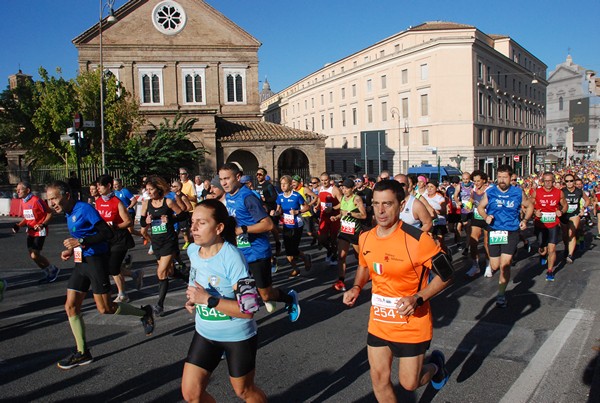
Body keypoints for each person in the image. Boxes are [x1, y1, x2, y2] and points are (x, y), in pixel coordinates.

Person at [343, 179, 452, 398]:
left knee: (409, 383)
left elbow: (447, 275)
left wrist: (418, 298)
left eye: (387, 204)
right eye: (376, 204)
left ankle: (435, 367)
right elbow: (365, 266)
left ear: (401, 206)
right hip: (380, 322)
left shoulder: (418, 240)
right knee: (379, 379)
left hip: (412, 324)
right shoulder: (365, 238)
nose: (380, 211)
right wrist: (356, 286)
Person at [46, 181, 154, 370]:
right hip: (81, 263)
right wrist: (71, 251)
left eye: (54, 198)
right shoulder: (68, 212)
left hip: (97, 262)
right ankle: (82, 352)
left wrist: (80, 241)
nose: (51, 203)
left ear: (67, 195)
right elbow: (83, 237)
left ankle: (144, 313)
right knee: (70, 306)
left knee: (106, 308)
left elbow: (106, 233)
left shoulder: (84, 209)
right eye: (49, 200)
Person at [182, 199, 266, 403]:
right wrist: (193, 299)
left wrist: (209, 300)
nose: (193, 228)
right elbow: (197, 280)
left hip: (236, 337)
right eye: (192, 222)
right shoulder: (193, 250)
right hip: (205, 333)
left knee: (244, 392)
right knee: (192, 395)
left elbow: (249, 310)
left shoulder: (233, 258)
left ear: (219, 227)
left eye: (201, 223)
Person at [220, 163, 300, 321]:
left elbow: (268, 224)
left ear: (238, 177)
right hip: (239, 252)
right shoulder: (228, 196)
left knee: (266, 293)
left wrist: (242, 229)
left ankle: (290, 299)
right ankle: (241, 324)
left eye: (227, 178)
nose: (223, 183)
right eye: (221, 179)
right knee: (236, 290)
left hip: (256, 252)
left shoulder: (248, 197)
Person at [477, 165, 534, 307]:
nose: (501, 180)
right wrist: (485, 216)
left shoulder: (517, 192)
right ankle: (494, 266)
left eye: (505, 177)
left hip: (511, 231)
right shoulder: (490, 192)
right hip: (494, 231)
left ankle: (501, 294)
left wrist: (525, 221)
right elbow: (480, 207)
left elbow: (530, 206)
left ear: (511, 178)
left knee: (505, 265)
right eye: (499, 177)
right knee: (495, 265)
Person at [140, 175, 190, 316]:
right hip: (156, 242)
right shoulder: (146, 204)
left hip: (169, 240)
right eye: (147, 189)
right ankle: (187, 278)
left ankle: (159, 305)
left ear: (158, 189)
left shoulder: (168, 202)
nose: (148, 192)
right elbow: (143, 223)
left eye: (151, 189)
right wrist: (147, 220)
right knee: (169, 273)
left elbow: (183, 215)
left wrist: (170, 218)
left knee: (161, 272)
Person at [95, 174, 143, 302]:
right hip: (106, 239)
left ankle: (123, 294)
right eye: (97, 186)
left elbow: (128, 222)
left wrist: (115, 226)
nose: (98, 188)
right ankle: (134, 274)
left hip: (120, 239)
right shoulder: (98, 202)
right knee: (111, 267)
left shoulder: (117, 202)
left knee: (113, 267)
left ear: (109, 186)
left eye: (101, 186)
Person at [12, 181, 60, 283]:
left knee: (35, 255)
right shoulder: (23, 201)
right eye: (17, 189)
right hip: (30, 231)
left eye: (19, 189)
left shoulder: (36, 200)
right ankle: (48, 272)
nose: (17, 191)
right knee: (32, 255)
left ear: (28, 190)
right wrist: (18, 225)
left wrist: (43, 224)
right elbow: (28, 218)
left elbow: (50, 213)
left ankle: (53, 269)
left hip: (39, 231)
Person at [330, 178, 367, 291]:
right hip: (344, 231)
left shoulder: (356, 199)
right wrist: (336, 217)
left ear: (352, 189)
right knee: (341, 257)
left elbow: (364, 215)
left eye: (346, 188)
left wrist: (351, 213)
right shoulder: (343, 199)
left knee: (359, 257)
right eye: (343, 188)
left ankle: (367, 274)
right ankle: (341, 281)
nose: (344, 190)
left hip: (355, 232)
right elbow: (342, 212)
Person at [272, 175, 312, 277]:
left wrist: (297, 211)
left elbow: (307, 207)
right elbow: (279, 210)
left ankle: (305, 258)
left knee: (293, 249)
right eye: (281, 184)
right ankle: (296, 268)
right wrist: (275, 213)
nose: (282, 186)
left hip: (297, 225)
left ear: (290, 185)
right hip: (287, 225)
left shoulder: (296, 196)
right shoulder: (280, 197)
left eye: (285, 184)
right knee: (288, 251)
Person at [532, 172, 567, 281]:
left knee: (552, 248)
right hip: (540, 223)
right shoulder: (536, 192)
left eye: (550, 181)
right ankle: (543, 254)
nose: (547, 183)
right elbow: (527, 206)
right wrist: (534, 212)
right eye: (545, 181)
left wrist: (561, 211)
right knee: (542, 248)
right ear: (542, 181)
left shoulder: (559, 192)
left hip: (553, 224)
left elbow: (565, 205)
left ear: (553, 181)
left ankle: (550, 271)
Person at [465, 171, 492, 278]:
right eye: (474, 181)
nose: (476, 183)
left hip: (487, 218)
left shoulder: (489, 190)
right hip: (476, 217)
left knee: (486, 243)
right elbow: (472, 199)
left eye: (478, 181)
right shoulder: (474, 189)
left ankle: (488, 266)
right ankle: (475, 266)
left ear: (484, 180)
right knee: (473, 241)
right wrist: (468, 205)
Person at [560, 174, 590, 263]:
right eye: (567, 181)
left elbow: (587, 200)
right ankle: (566, 247)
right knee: (565, 235)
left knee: (571, 233)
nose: (569, 183)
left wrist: (583, 208)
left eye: (571, 181)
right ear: (565, 182)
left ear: (574, 181)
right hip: (564, 215)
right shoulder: (562, 191)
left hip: (575, 214)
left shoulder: (579, 191)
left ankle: (570, 254)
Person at [254, 167, 282, 256]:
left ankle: (278, 243)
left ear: (264, 176)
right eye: (257, 174)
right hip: (261, 210)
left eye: (260, 174)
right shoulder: (256, 185)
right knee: (265, 230)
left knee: (273, 229)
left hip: (270, 209)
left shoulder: (268, 185)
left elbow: (274, 197)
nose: (258, 176)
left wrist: (265, 199)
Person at [317, 172, 343, 266]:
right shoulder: (320, 188)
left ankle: (334, 255)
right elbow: (320, 199)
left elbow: (342, 203)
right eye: (322, 180)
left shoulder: (335, 190)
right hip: (324, 216)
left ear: (329, 180)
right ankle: (330, 250)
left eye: (326, 180)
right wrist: (317, 205)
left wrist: (333, 208)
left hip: (333, 217)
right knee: (321, 238)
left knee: (333, 238)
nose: (324, 182)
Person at [179, 168, 197, 250]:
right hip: (183, 209)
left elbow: (195, 198)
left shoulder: (191, 184)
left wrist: (186, 197)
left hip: (191, 209)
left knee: (191, 228)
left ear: (187, 175)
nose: (181, 175)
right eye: (180, 174)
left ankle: (193, 242)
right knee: (183, 228)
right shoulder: (179, 184)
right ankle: (188, 241)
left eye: (183, 174)